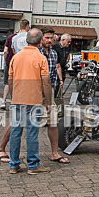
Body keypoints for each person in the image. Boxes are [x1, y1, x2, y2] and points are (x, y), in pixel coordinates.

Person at [8, 28, 51, 174]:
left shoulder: (16, 57)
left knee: (15, 131)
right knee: (32, 133)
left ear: (26, 40)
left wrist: (14, 96)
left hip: (18, 99)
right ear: (40, 42)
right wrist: (49, 102)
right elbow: (46, 81)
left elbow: (10, 79)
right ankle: (33, 165)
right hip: (34, 100)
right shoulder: (41, 58)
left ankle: (14, 164)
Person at [39, 27, 70, 164]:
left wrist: (59, 82)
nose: (49, 40)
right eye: (47, 38)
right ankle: (2, 148)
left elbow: (56, 69)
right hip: (34, 90)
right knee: (22, 122)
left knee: (53, 122)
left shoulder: (53, 53)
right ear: (41, 38)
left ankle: (54, 153)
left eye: (51, 38)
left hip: (49, 90)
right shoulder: (36, 53)